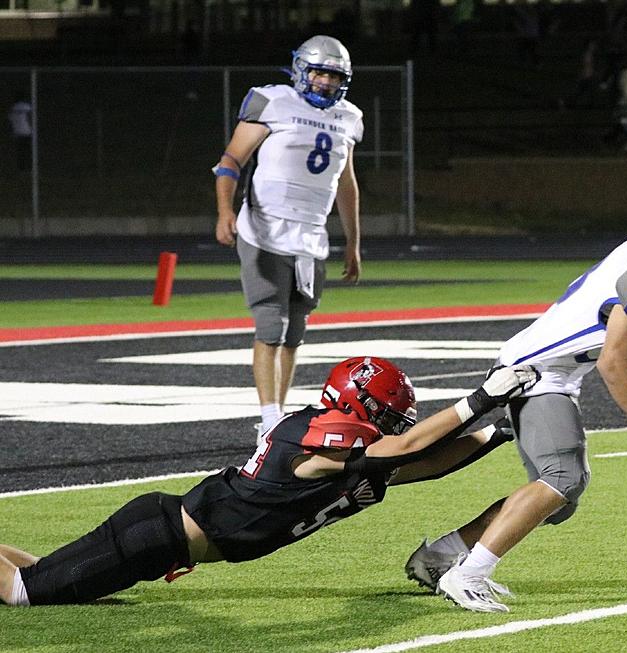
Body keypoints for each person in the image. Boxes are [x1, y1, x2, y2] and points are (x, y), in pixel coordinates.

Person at [404, 171, 627, 613]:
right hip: (532, 371)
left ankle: (438, 556)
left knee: (559, 500)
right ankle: (468, 574)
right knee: (562, 479)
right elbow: (615, 361)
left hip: (558, 374)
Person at [0, 358, 540, 606]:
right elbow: (408, 446)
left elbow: (429, 461)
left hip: (164, 536)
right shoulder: (319, 434)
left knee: (40, 575)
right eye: (390, 414)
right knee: (24, 592)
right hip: (159, 534)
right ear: (362, 407)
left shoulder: (352, 456)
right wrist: (482, 396)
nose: (397, 424)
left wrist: (501, 429)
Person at [213, 35, 363, 438]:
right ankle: (268, 417)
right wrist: (225, 211)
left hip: (311, 236)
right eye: (318, 73)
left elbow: (346, 183)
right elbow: (231, 160)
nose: (325, 83)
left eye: (333, 77)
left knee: (295, 329)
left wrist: (352, 240)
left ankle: (278, 415)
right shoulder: (273, 101)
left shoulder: (348, 116)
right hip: (264, 228)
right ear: (300, 70)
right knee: (269, 324)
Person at [7, 99, 31, 172]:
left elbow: (10, 121)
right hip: (27, 132)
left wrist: (12, 131)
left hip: (18, 132)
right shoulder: (27, 106)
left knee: (21, 151)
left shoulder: (13, 108)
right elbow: (30, 118)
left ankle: (22, 167)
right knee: (28, 150)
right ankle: (28, 167)